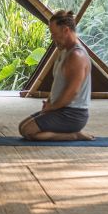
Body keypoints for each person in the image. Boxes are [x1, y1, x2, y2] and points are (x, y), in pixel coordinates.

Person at [19, 10, 94, 141]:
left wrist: (51, 107)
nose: (53, 38)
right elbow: (59, 85)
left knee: (28, 131)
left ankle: (74, 135)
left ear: (66, 30)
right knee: (22, 127)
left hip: (73, 114)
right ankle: (69, 132)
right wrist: (49, 102)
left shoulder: (77, 56)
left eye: (54, 34)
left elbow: (72, 92)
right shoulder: (65, 51)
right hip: (60, 109)